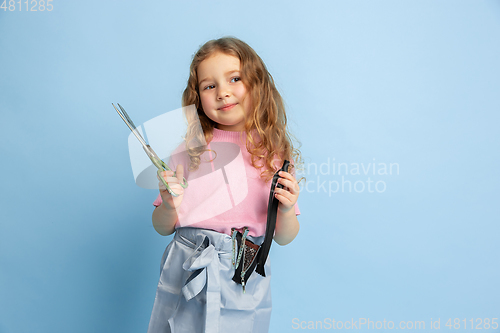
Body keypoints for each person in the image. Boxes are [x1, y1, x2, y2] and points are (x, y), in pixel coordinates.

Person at [147, 36, 303, 333]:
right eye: (210, 86)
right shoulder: (188, 149)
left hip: (241, 272)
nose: (223, 93)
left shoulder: (273, 154)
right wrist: (169, 205)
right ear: (197, 97)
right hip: (188, 264)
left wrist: (287, 209)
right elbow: (162, 226)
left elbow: (283, 237)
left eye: (235, 79)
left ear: (257, 85)